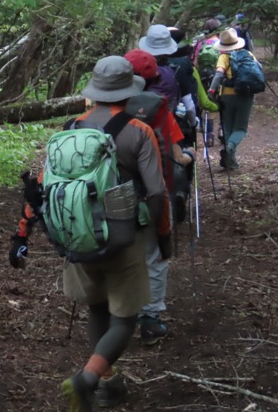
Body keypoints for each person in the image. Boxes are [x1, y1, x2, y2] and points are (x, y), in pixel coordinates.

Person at [11, 56, 169, 411]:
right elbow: (157, 191)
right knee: (126, 318)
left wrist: (22, 234)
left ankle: (109, 383)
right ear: (129, 94)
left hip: (75, 234)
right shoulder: (138, 131)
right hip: (123, 236)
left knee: (97, 308)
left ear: (94, 93)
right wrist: (159, 234)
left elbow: (40, 187)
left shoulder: (68, 129)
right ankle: (86, 380)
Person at [124, 49, 195, 346]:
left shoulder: (104, 109)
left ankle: (117, 318)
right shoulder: (159, 108)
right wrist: (189, 157)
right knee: (154, 255)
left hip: (112, 195)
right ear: (154, 77)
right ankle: (150, 320)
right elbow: (176, 155)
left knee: (121, 253)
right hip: (154, 193)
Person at [207, 28, 259, 169]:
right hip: (246, 95)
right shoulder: (248, 54)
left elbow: (218, 75)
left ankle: (230, 156)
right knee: (241, 128)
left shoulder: (224, 57)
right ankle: (231, 151)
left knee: (228, 127)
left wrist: (211, 90)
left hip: (227, 95)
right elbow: (258, 69)